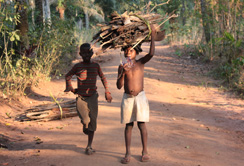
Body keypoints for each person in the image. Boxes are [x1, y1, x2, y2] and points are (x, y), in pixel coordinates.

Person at [116, 25, 156, 164]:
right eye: (126, 50)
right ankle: (127, 153)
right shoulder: (122, 66)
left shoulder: (140, 63)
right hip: (127, 98)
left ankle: (145, 151)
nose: (128, 52)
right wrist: (123, 73)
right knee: (128, 126)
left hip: (140, 97)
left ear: (136, 52)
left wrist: (152, 37)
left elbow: (151, 54)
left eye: (131, 50)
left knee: (142, 125)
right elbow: (119, 86)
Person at [64, 43, 112, 155]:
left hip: (93, 97)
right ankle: (86, 126)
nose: (86, 55)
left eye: (88, 52)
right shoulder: (77, 66)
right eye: (83, 53)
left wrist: (107, 91)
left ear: (91, 53)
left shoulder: (96, 66)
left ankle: (89, 146)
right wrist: (70, 88)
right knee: (86, 120)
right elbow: (68, 76)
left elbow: (103, 77)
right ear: (80, 54)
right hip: (81, 97)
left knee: (93, 121)